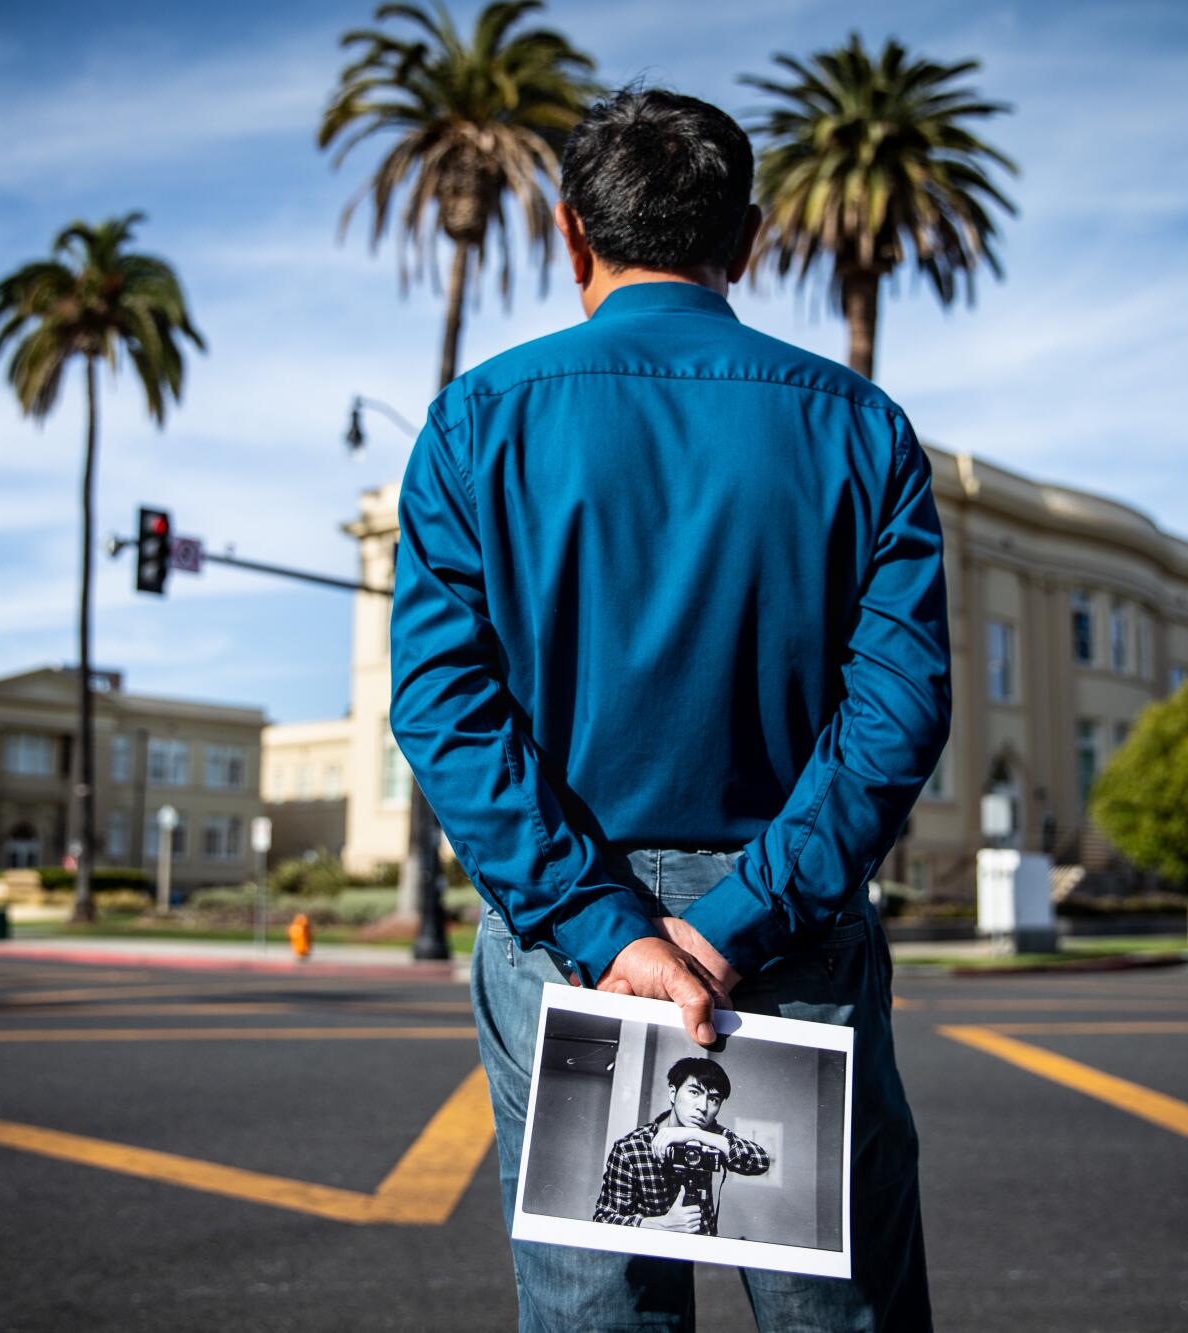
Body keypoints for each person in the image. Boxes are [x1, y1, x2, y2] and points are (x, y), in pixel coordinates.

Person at [390, 87, 948, 1331]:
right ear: (745, 240)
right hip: (790, 935)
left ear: (567, 234)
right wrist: (740, 918)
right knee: (833, 1315)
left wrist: (609, 930)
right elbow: (896, 707)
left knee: (602, 1318)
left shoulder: (478, 419)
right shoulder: (859, 426)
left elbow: (442, 702)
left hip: (570, 950)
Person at [592, 1057, 770, 1234]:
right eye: (694, 1092)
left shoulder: (709, 1133)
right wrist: (659, 1225)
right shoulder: (630, 1149)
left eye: (713, 1100)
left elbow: (760, 1161)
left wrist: (695, 1133)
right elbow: (604, 1219)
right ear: (672, 1093)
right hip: (651, 1252)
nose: (702, 1107)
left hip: (698, 1250)